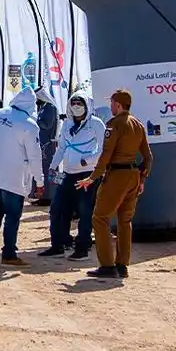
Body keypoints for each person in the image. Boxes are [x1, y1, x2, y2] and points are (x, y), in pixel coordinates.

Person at [77, 89, 153, 279]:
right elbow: (148, 157)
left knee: (100, 218)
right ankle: (122, 265)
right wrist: (142, 179)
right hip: (133, 176)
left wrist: (93, 177)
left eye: (111, 103)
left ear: (118, 105)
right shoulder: (138, 125)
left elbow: (106, 154)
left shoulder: (114, 124)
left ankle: (107, 265)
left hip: (117, 176)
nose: (110, 106)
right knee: (125, 221)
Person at [0, 87, 44, 267]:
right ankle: (9, 254)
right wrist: (40, 181)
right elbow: (35, 156)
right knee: (12, 215)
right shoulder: (29, 125)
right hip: (13, 177)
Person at [39, 92, 105, 260]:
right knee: (57, 208)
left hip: (87, 175)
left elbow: (104, 149)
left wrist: (87, 160)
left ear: (87, 105)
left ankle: (82, 248)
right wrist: (53, 166)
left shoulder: (96, 124)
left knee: (84, 211)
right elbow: (61, 147)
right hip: (67, 173)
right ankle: (58, 245)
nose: (76, 106)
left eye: (79, 103)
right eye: (73, 103)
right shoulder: (67, 124)